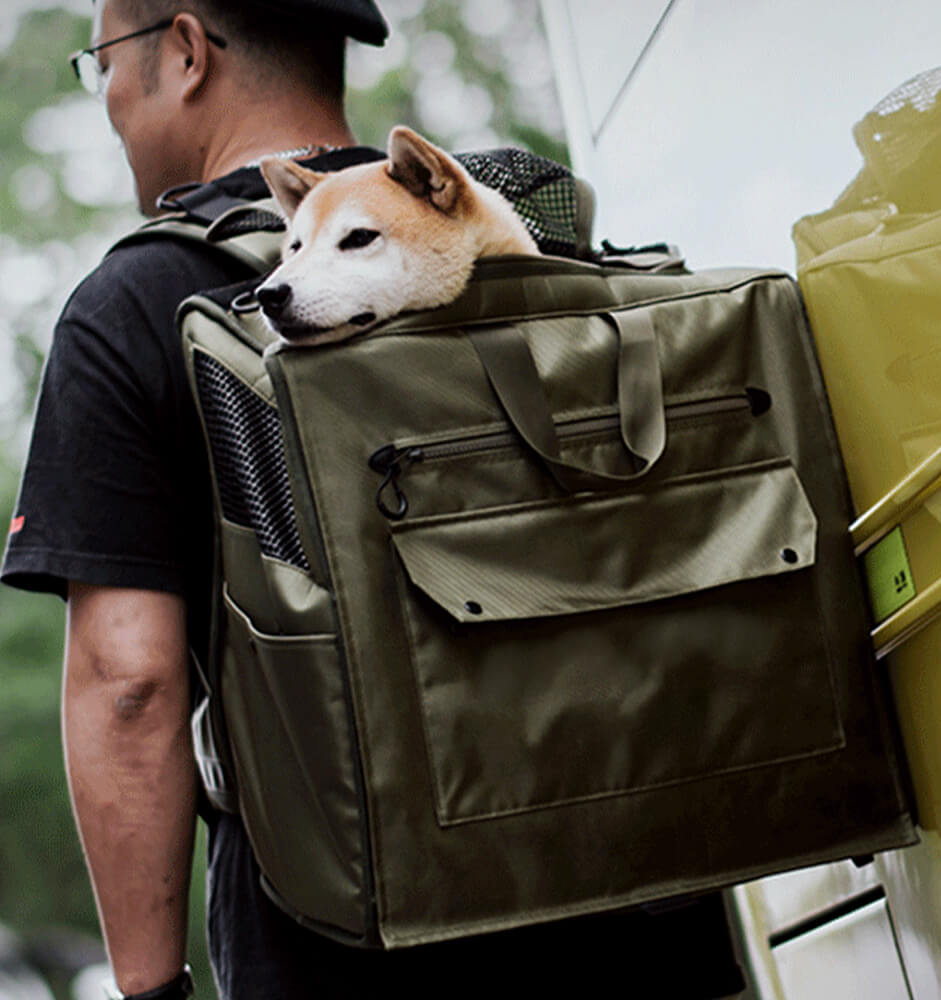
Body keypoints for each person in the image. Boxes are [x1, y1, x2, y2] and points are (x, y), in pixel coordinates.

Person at [1, 2, 747, 997]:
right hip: (640, 909)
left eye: (104, 66)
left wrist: (151, 988)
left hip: (342, 940)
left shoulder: (134, 308)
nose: (109, 103)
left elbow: (127, 680)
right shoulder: (521, 231)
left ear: (183, 52)